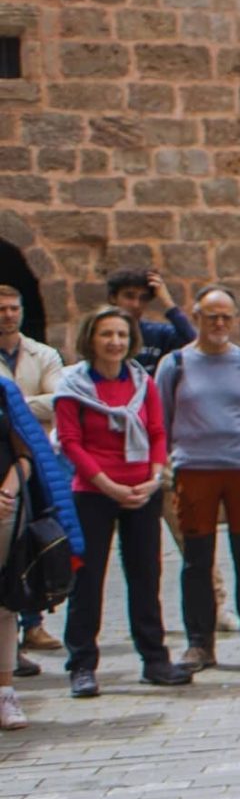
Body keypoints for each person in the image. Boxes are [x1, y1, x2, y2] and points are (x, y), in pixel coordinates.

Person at [53, 308, 190, 696]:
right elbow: (71, 442)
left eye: (121, 335)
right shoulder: (72, 386)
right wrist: (107, 485)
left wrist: (153, 477)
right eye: (106, 334)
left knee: (146, 576)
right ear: (90, 339)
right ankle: (82, 665)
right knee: (88, 579)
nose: (115, 342)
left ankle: (155, 659)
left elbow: (157, 431)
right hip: (93, 491)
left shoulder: (142, 382)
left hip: (142, 489)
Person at [156, 288, 240, 670]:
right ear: (196, 316)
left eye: (226, 317)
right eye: (212, 316)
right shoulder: (175, 364)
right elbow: (162, 417)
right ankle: (200, 643)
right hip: (195, 469)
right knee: (197, 558)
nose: (219, 324)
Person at [0, 371, 79, 727]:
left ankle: (5, 694)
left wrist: (8, 490)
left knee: (4, 604)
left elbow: (26, 453)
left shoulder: (3, 392)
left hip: (5, 512)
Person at [0, 283, 65, 662]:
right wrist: (32, 406)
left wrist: (12, 403)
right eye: (2, 309)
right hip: (6, 459)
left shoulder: (44, 354)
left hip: (38, 457)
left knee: (32, 537)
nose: (8, 315)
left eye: (13, 308)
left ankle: (33, 621)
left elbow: (59, 399)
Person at [103, 268, 195, 375]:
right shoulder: (100, 333)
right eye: (129, 296)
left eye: (143, 298)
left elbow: (194, 343)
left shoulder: (157, 333)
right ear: (113, 298)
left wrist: (167, 302)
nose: (136, 304)